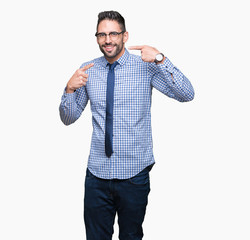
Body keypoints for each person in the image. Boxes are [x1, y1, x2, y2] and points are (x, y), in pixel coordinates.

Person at [59, 10, 194, 240]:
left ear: (125, 35)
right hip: (97, 176)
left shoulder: (146, 66)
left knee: (131, 237)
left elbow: (187, 94)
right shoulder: (88, 69)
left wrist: (161, 58)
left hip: (134, 175)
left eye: (113, 33)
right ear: (97, 38)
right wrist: (69, 89)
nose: (108, 40)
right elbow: (68, 118)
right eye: (102, 35)